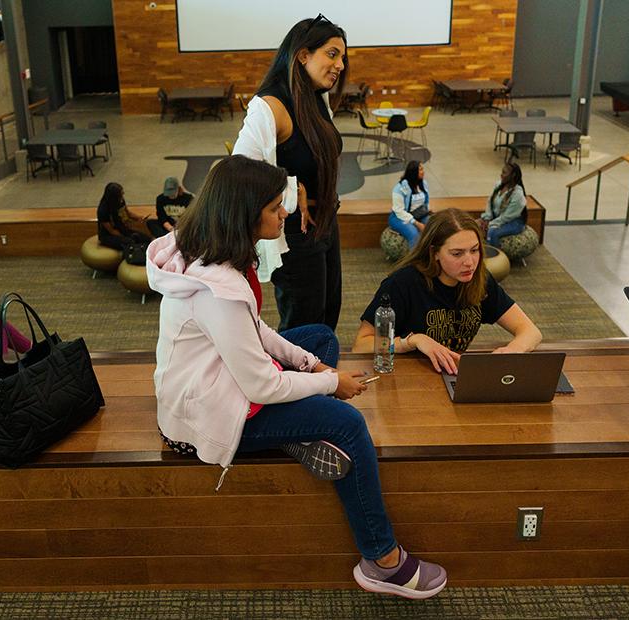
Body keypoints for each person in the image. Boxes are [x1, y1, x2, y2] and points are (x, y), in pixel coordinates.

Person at [147, 155, 448, 599]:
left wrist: (312, 365)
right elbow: (262, 386)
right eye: (274, 207)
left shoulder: (214, 254)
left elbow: (256, 331)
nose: (285, 212)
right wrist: (332, 384)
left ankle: (297, 433)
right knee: (346, 424)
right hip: (208, 417)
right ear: (244, 214)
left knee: (320, 339)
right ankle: (382, 560)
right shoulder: (218, 293)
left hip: (219, 381)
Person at [233, 15, 348, 331]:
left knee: (328, 310)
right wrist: (290, 186)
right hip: (293, 230)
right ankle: (291, 379)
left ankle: (320, 377)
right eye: (332, 53)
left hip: (325, 220)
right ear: (303, 55)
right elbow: (239, 172)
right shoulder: (270, 105)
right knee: (303, 321)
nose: (340, 64)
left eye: (343, 56)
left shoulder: (316, 96)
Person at [353, 209, 541, 373]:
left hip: (452, 375)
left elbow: (531, 331)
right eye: (457, 254)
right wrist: (412, 341)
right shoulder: (402, 284)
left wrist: (513, 350)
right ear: (434, 253)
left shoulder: (479, 279)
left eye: (474, 250)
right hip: (405, 377)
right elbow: (361, 346)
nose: (469, 262)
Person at [95, 182, 151, 252]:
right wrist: (126, 236)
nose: (123, 194)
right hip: (108, 235)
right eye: (121, 193)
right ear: (114, 197)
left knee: (146, 239)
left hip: (121, 229)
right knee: (130, 242)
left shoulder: (120, 200)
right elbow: (111, 231)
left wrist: (139, 217)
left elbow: (128, 213)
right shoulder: (103, 210)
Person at [483, 162, 527, 245]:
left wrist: (490, 224)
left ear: (513, 175)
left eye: (504, 172)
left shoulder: (518, 194)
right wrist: (487, 218)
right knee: (475, 225)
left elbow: (507, 217)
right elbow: (490, 201)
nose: (501, 175)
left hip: (513, 222)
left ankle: (495, 256)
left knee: (492, 233)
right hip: (498, 218)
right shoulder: (498, 184)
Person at [389, 161, 432, 244]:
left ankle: (430, 254)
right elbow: (399, 211)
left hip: (418, 214)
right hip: (400, 217)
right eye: (420, 169)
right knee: (414, 234)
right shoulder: (399, 188)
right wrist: (417, 224)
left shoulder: (423, 184)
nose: (423, 172)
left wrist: (428, 210)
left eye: (423, 169)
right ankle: (415, 257)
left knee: (433, 227)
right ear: (413, 172)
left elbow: (426, 202)